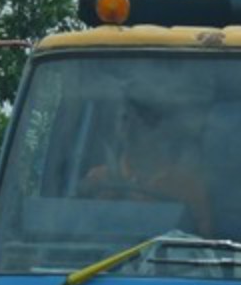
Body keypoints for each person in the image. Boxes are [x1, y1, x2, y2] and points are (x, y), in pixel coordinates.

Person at [79, 90, 213, 236]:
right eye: (124, 119)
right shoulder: (99, 179)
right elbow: (78, 233)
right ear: (117, 126)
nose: (131, 128)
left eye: (143, 120)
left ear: (162, 129)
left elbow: (202, 240)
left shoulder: (186, 185)